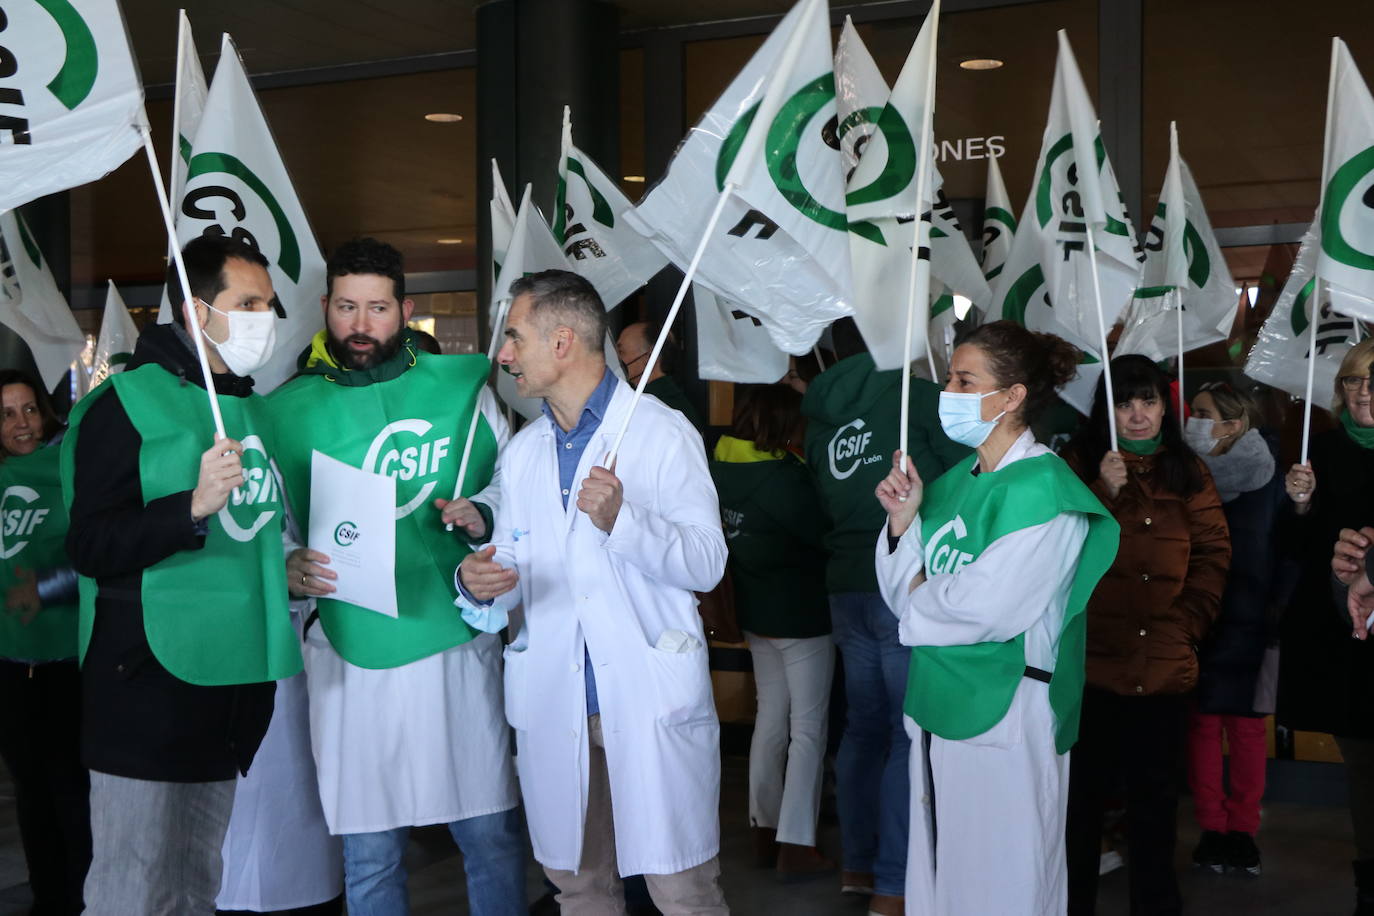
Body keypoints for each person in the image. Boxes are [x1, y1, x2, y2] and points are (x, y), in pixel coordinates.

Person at [456, 269, 729, 915]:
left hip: (643, 692)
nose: (504, 354)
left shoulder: (662, 433)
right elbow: (516, 562)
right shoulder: (524, 453)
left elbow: (707, 562)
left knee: (681, 890)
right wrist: (480, 581)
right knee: (578, 886)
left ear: (562, 342)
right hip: (556, 696)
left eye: (515, 337)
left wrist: (624, 523)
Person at [267, 238, 523, 916]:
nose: (360, 324)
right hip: (350, 651)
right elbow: (270, 524)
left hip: (455, 638)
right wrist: (287, 567)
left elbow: (513, 486)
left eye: (376, 308)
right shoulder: (285, 410)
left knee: (489, 831)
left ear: (405, 310)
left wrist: (483, 513)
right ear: (324, 307)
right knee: (371, 852)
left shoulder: (464, 394)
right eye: (346, 307)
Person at [65, 234, 301, 914]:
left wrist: (287, 567)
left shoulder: (250, 407)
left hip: (227, 689)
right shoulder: (124, 405)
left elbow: (249, 533)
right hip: (143, 685)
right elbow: (89, 544)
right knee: (130, 887)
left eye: (268, 302)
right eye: (247, 302)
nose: (265, 316)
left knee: (195, 884)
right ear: (198, 313)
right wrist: (190, 506)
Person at [873, 321, 1118, 913]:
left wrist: (923, 592)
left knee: (1004, 881)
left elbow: (988, 608)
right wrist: (904, 524)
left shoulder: (1047, 493)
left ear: (1012, 397)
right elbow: (898, 591)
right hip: (937, 702)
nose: (949, 392)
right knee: (939, 880)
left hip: (1008, 711)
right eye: (950, 378)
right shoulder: (953, 484)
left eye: (965, 380)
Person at [800, 318, 968, 914]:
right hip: (902, 579)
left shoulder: (818, 418)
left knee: (864, 728)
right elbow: (965, 473)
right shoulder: (912, 398)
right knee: (904, 732)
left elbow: (825, 497)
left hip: (844, 583)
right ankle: (895, 885)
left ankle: (858, 865)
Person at [1062, 355, 1231, 916]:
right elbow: (1051, 550)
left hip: (1163, 666)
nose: (1138, 416)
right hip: (1091, 665)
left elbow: (1213, 553)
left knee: (1155, 810)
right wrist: (1100, 493)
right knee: (1080, 808)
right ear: (1104, 408)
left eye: (1149, 402)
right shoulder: (1077, 461)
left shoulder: (1189, 470)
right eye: (1125, 402)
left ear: (1166, 407)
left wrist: (1187, 624)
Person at [710, 383, 834, 878]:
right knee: (807, 729)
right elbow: (824, 534)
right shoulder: (785, 477)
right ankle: (797, 844)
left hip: (755, 614)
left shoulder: (719, 465)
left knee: (770, 719)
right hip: (802, 616)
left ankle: (764, 829)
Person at [1280, 337, 1374, 914]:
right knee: (1364, 766)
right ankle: (1369, 883)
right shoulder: (1322, 452)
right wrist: (1301, 507)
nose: (1364, 392)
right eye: (1354, 381)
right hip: (1344, 641)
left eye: (1373, 381)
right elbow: (1295, 552)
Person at [1183, 382, 1285, 876]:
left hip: (1253, 620)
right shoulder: (1183, 475)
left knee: (1246, 732)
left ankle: (1243, 831)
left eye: (1203, 414)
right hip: (1197, 620)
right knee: (1201, 729)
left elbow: (1288, 550)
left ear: (1234, 424)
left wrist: (1276, 611)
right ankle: (1212, 828)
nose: (1193, 422)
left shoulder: (1273, 476)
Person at [0, 370, 90, 915]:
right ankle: (47, 900)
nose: (22, 424)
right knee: (29, 792)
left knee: (71, 792)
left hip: (68, 662)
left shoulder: (71, 467)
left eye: (29, 410)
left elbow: (101, 556)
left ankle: (84, 901)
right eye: (8, 414)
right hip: (9, 665)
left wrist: (50, 587)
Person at [616, 317, 704, 433]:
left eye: (621, 352)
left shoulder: (652, 406)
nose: (616, 358)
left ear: (651, 357)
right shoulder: (670, 397)